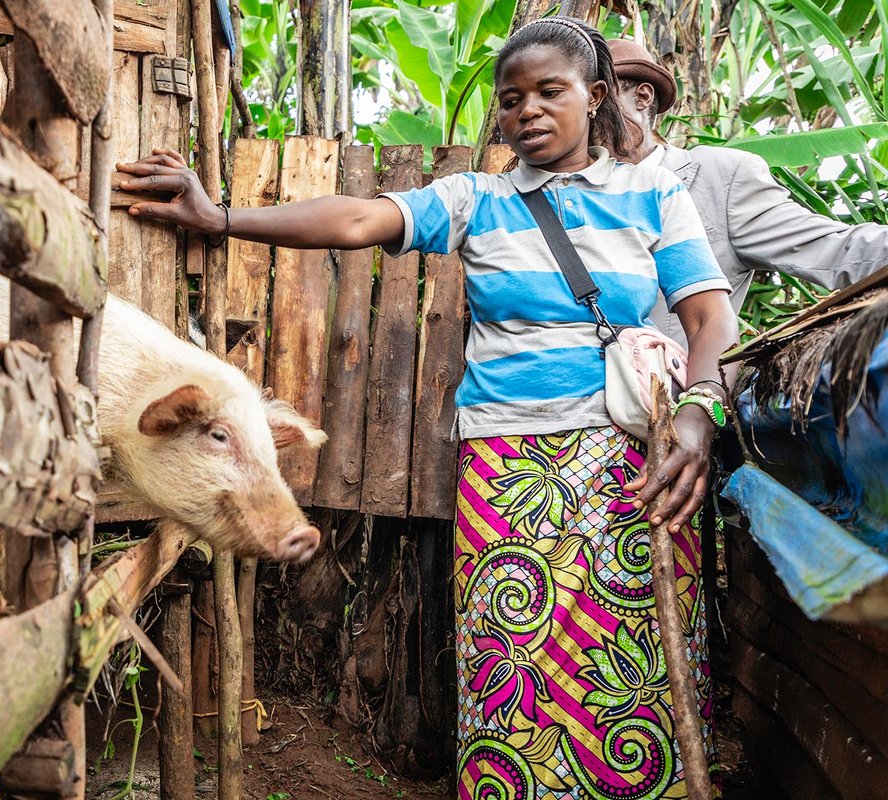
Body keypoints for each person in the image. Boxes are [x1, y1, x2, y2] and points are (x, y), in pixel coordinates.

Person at [118, 17, 740, 797]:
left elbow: (709, 316)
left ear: (596, 94)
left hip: (629, 461)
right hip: (508, 464)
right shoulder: (477, 199)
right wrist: (222, 220)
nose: (528, 112)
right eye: (511, 100)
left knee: (632, 659)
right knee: (513, 655)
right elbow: (355, 218)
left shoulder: (655, 192)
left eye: (551, 92)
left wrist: (700, 412)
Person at [609, 37, 888, 345]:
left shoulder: (718, 180)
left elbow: (834, 250)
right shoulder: (555, 190)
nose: (587, 111)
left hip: (675, 388)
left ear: (643, 96)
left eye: (599, 95)